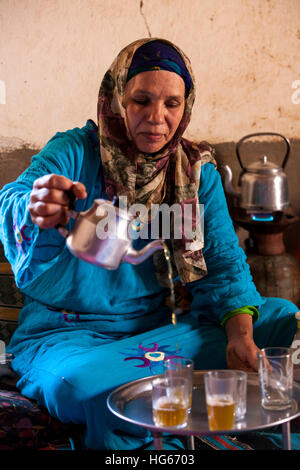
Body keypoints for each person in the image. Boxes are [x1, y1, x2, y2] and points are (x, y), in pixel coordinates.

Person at [0, 38, 298, 450]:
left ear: (186, 106)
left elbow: (224, 265)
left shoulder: (195, 173)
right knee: (82, 388)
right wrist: (36, 202)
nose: (157, 118)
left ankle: (153, 406)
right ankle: (177, 428)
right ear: (117, 98)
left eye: (172, 104)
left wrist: (239, 337)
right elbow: (14, 196)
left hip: (153, 339)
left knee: (278, 318)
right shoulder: (74, 152)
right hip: (67, 339)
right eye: (142, 100)